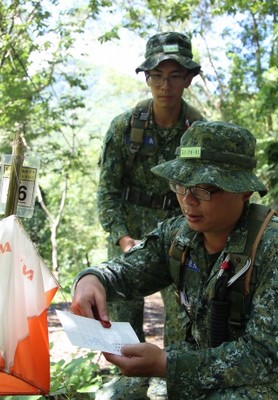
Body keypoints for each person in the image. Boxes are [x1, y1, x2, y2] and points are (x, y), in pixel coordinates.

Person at [73, 121, 278, 399]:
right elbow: (125, 271)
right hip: (197, 360)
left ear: (244, 191)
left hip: (270, 376)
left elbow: (264, 356)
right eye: (180, 184)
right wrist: (94, 279)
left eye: (203, 189)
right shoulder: (177, 235)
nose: (188, 200)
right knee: (115, 395)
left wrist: (167, 365)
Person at [96, 31, 204, 349]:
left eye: (174, 77)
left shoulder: (198, 132)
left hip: (180, 235)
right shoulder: (125, 127)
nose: (164, 86)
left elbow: (206, 192)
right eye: (156, 76)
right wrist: (121, 237)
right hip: (127, 234)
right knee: (121, 329)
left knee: (186, 322)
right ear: (146, 78)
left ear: (188, 79)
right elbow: (107, 192)